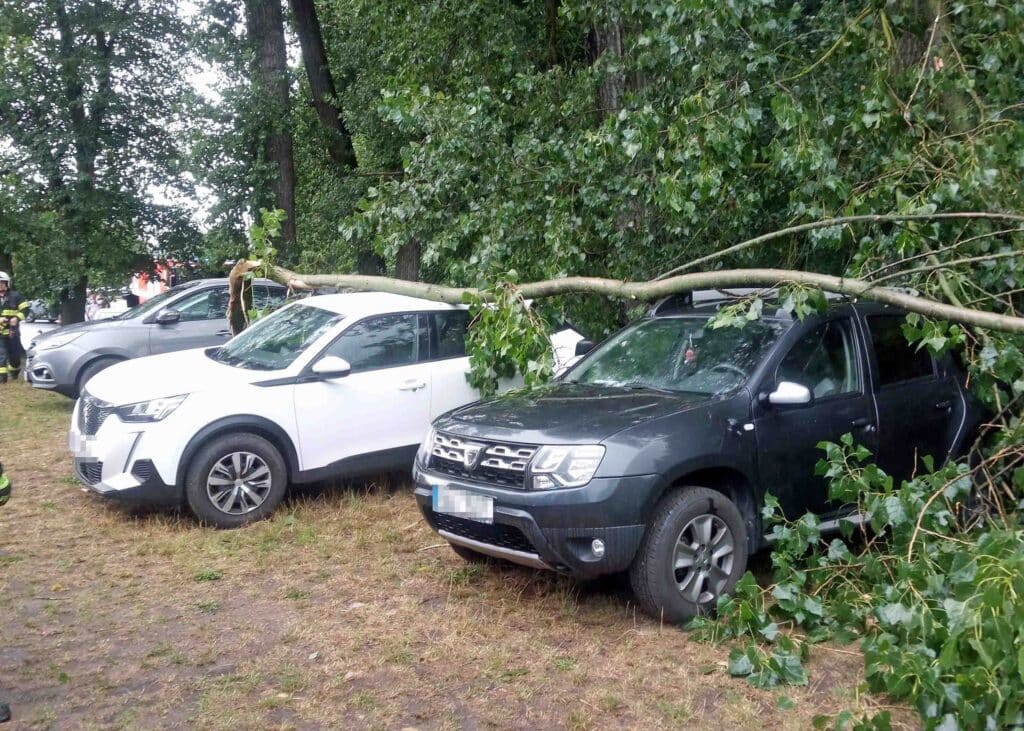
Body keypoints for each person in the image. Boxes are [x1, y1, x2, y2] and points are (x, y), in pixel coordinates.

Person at [0, 272, 28, 384]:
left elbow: (26, 310)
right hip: (0, 333)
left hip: (13, 333)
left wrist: (17, 318)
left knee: (15, 357)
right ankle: (2, 380)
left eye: (2, 283)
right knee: (1, 356)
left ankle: (14, 374)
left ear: (7, 283)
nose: (0, 285)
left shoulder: (16, 296)